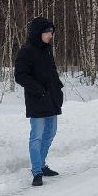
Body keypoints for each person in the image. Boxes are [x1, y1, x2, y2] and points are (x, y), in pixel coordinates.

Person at [14, 17, 65, 187]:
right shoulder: (26, 51)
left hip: (51, 99)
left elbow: (52, 72)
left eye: (52, 32)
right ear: (38, 33)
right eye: (48, 32)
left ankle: (41, 165)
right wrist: (39, 91)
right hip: (37, 100)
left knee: (50, 133)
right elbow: (20, 76)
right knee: (36, 137)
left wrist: (58, 89)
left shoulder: (47, 50)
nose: (51, 35)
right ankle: (37, 171)